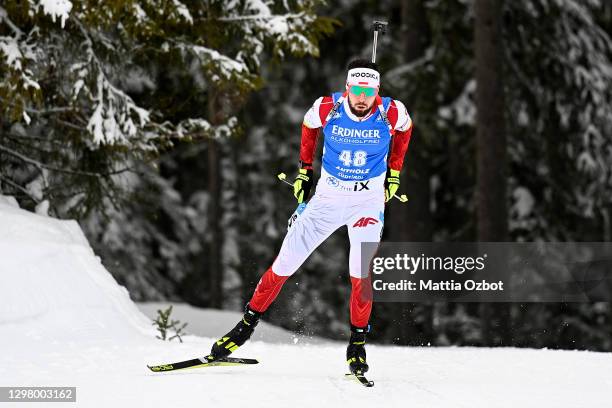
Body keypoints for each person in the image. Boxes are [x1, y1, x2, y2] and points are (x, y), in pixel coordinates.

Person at [209, 58, 413, 375]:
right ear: (347, 89)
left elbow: (405, 130)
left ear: (377, 91)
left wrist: (395, 172)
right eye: (356, 90)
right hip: (326, 201)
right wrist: (305, 171)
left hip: (367, 203)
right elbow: (309, 128)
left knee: (361, 275)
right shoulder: (327, 107)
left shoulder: (392, 112)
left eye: (368, 91)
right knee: (283, 265)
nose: (362, 98)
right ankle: (244, 328)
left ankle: (357, 346)